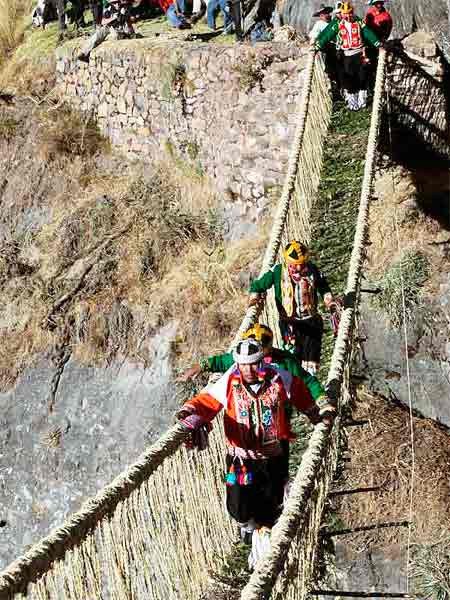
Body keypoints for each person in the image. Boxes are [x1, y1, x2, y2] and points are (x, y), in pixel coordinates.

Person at [177, 339, 335, 566]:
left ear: (262, 361)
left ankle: (264, 556)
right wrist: (189, 410)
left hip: (273, 458)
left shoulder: (279, 377)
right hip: (240, 459)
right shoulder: (230, 381)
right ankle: (249, 530)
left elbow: (301, 392)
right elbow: (209, 401)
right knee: (237, 504)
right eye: (243, 364)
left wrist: (316, 413)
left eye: (253, 364)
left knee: (270, 508)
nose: (248, 369)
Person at [178, 323, 329, 406]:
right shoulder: (242, 357)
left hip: (279, 409)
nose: (248, 367)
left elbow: (307, 380)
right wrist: (198, 367)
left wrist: (321, 398)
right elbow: (219, 362)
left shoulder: (285, 362)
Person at [248, 241, 338, 375]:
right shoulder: (278, 272)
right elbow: (258, 285)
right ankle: (295, 383)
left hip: (311, 322)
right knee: (293, 356)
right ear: (288, 262)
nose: (300, 267)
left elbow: (323, 286)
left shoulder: (312, 270)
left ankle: (310, 384)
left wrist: (329, 300)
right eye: (296, 264)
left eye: (303, 263)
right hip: (289, 325)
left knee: (311, 358)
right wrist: (254, 298)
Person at [316, 1, 381, 110]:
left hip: (360, 53)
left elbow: (367, 33)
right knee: (349, 78)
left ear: (352, 12)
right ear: (342, 13)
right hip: (347, 55)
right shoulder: (337, 23)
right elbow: (327, 35)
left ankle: (362, 103)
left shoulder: (359, 22)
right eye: (345, 13)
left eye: (350, 13)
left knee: (362, 77)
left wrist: (377, 43)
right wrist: (317, 45)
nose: (348, 15)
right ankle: (352, 104)